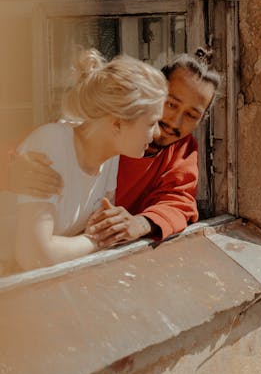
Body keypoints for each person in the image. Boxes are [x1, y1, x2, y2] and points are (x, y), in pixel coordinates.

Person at [8, 49, 221, 250]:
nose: (174, 122)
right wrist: (13, 174)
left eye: (191, 115)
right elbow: (26, 153)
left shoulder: (183, 149)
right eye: (171, 104)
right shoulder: (91, 130)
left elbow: (178, 201)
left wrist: (141, 223)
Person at [13, 49, 167, 271]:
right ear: (117, 123)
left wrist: (101, 234)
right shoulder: (51, 145)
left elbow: (94, 231)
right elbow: (34, 255)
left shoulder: (111, 157)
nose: (157, 134)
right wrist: (96, 241)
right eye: (151, 123)